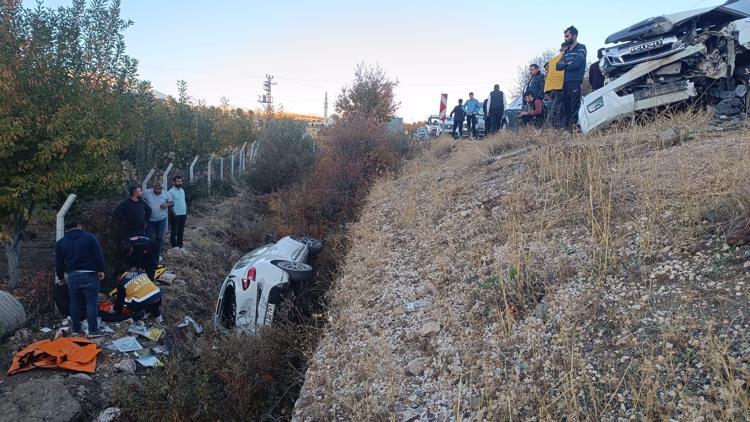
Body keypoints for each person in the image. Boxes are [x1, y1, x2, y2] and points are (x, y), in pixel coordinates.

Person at [54, 221, 106, 337]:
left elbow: (59, 262)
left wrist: (61, 277)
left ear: (66, 230)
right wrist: (101, 270)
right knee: (91, 302)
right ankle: (93, 331)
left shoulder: (61, 243)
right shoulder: (89, 238)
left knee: (74, 303)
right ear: (78, 226)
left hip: (72, 276)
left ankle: (76, 329)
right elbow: (98, 255)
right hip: (90, 274)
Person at [556, 26, 587, 130]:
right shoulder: (566, 52)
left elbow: (578, 63)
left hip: (575, 80)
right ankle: (567, 129)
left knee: (575, 106)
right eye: (564, 36)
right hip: (565, 82)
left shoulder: (581, 47)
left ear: (574, 36)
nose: (565, 38)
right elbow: (557, 66)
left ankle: (575, 129)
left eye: (567, 36)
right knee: (566, 106)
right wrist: (567, 64)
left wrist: (566, 64)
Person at [142, 182, 173, 257]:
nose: (158, 190)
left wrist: (167, 205)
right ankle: (147, 253)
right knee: (148, 236)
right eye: (156, 189)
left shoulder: (165, 193)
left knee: (159, 237)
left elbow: (172, 203)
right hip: (150, 220)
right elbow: (139, 199)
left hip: (161, 219)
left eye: (160, 189)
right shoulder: (147, 192)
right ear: (153, 187)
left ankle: (158, 253)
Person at [544, 43, 567, 128]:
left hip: (549, 87)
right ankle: (549, 127)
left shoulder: (553, 60)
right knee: (559, 108)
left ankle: (554, 127)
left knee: (555, 107)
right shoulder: (566, 56)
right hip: (559, 85)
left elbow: (546, 71)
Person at [168, 176, 188, 249]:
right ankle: (174, 246)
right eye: (177, 181)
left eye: (180, 181)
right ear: (173, 182)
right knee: (174, 231)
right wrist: (174, 214)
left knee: (181, 230)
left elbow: (183, 201)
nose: (179, 183)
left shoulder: (182, 190)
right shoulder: (170, 192)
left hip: (183, 214)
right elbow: (170, 204)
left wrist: (185, 212)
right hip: (175, 215)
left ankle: (180, 245)